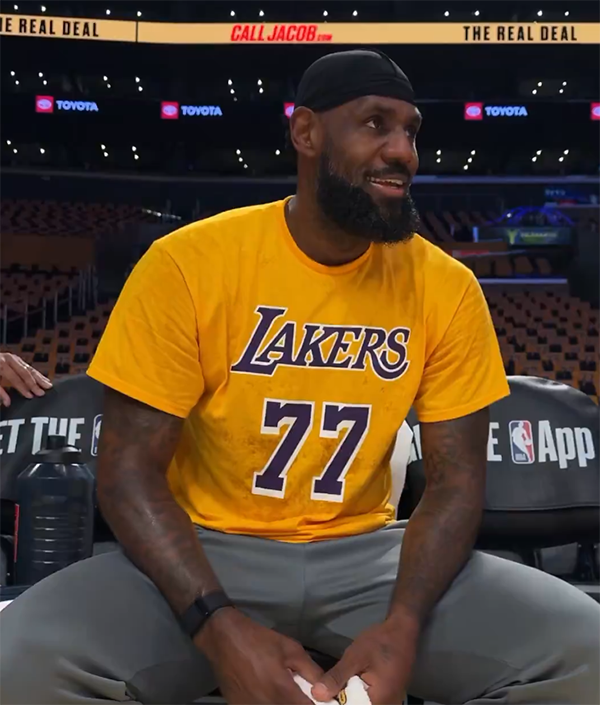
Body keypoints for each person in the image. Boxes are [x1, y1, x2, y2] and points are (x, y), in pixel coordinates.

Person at [0, 49, 599, 705]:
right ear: (307, 132)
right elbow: (127, 472)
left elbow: (457, 484)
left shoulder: (446, 286)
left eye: (411, 131)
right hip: (205, 549)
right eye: (375, 124)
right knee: (22, 660)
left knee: (584, 649)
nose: (402, 151)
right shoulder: (187, 262)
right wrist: (218, 626)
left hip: (373, 555)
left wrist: (402, 626)